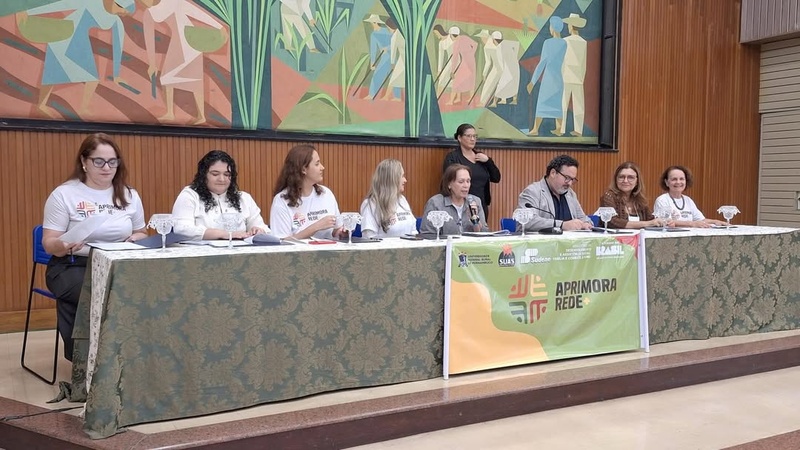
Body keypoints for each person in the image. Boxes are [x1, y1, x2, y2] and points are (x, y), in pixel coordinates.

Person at [42, 133, 147, 361]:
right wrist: (64, 245)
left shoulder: (129, 194)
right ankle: (87, 360)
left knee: (147, 290)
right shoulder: (64, 194)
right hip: (72, 265)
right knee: (97, 292)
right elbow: (49, 243)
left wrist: (135, 238)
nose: (107, 167)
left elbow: (141, 232)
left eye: (112, 161)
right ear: (84, 162)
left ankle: (131, 358)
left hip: (117, 264)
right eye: (99, 161)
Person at [171, 150, 270, 240]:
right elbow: (182, 229)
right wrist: (224, 234)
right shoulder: (190, 195)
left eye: (227, 175)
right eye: (215, 174)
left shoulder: (244, 198)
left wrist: (258, 230)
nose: (222, 179)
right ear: (203, 175)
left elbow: (263, 228)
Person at [270, 144, 345, 239]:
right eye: (317, 164)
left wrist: (341, 232)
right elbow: (282, 242)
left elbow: (336, 229)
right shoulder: (281, 201)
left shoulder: (326, 193)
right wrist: (316, 227)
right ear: (303, 169)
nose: (322, 167)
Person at [517, 154, 593, 232]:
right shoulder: (532, 191)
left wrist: (585, 224)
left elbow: (583, 219)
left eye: (572, 179)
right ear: (553, 173)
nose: (570, 183)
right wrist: (562, 225)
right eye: (567, 178)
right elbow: (528, 221)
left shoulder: (570, 194)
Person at [443, 123, 501, 218]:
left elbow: (496, 178)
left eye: (475, 136)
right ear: (459, 138)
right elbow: (449, 181)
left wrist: (488, 161)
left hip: (481, 205)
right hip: (461, 204)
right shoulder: (453, 157)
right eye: (469, 136)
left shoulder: (481, 157)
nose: (473, 139)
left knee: (480, 227)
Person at [527, 16, 567, 136]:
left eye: (550, 26)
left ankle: (535, 129)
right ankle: (559, 129)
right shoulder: (564, 43)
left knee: (542, 103)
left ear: (553, 28)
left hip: (548, 79)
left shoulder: (548, 43)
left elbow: (542, 63)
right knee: (557, 103)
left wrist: (532, 82)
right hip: (559, 78)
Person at [421, 164, 488, 235]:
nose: (466, 186)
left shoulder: (475, 201)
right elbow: (428, 235)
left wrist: (475, 220)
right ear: (449, 184)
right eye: (461, 182)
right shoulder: (435, 203)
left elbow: (485, 234)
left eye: (468, 181)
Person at [653, 165, 727, 227]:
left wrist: (715, 222)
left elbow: (700, 220)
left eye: (681, 179)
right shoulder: (662, 200)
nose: (678, 182)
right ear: (666, 182)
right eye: (674, 179)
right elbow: (666, 222)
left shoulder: (688, 200)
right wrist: (692, 224)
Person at [360, 159, 417, 238]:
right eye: (402, 176)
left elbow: (413, 231)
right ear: (392, 179)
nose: (405, 180)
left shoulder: (402, 199)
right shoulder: (370, 204)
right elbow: (369, 238)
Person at [599, 162, 664, 229]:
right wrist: (649, 223)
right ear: (616, 180)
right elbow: (610, 222)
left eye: (630, 177)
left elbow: (651, 219)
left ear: (637, 181)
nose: (625, 181)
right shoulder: (609, 196)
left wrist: (663, 221)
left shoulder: (639, 199)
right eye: (621, 177)